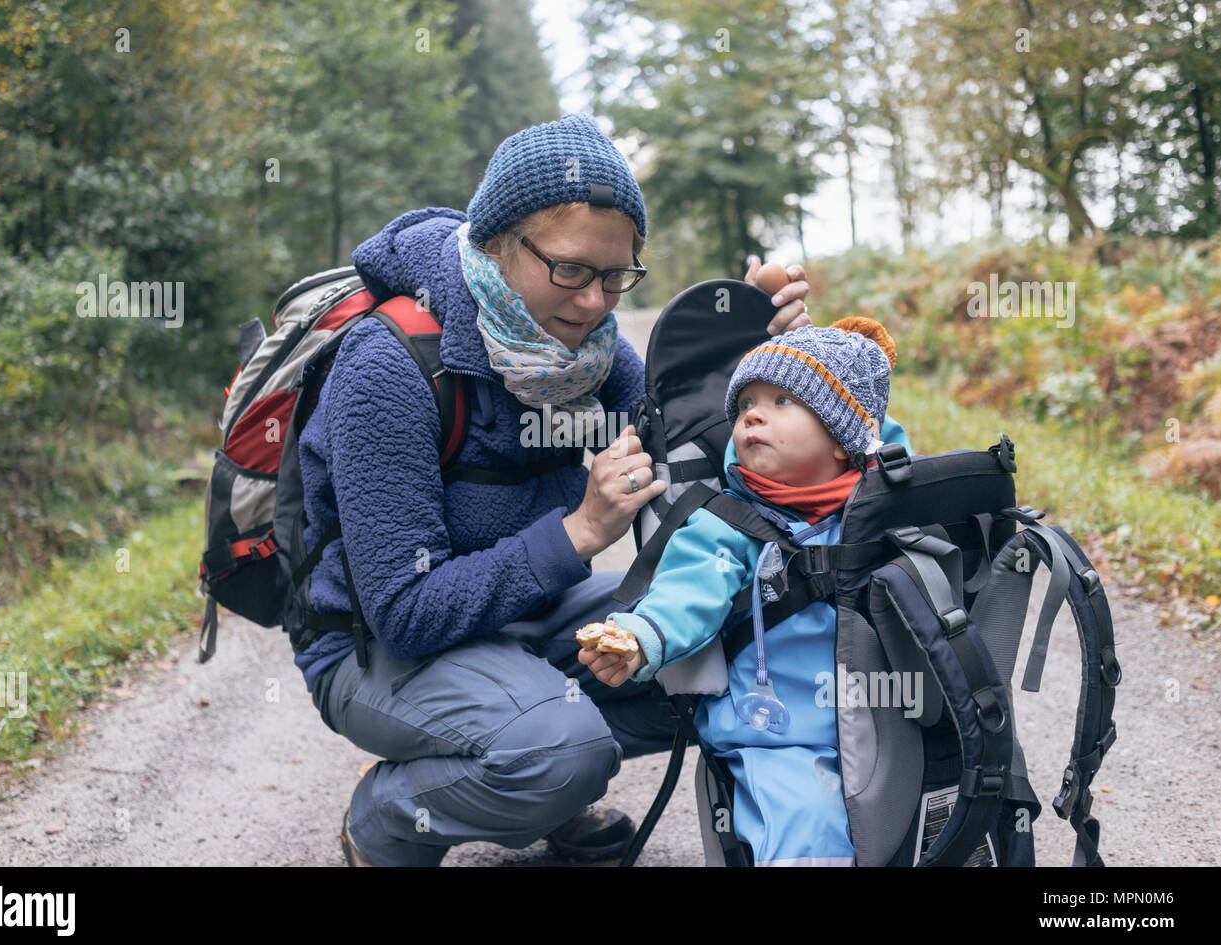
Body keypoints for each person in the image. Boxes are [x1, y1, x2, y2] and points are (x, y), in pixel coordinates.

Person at [294, 112, 813, 866]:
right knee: (560, 750)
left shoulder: (587, 354)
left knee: (725, 645)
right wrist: (578, 533)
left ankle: (543, 773)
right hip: (372, 655)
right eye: (569, 270)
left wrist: (765, 355)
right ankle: (388, 817)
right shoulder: (391, 363)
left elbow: (702, 456)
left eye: (615, 276)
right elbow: (403, 614)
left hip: (524, 624)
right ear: (497, 243)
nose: (596, 302)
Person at [583, 316, 911, 865]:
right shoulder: (729, 524)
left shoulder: (888, 510)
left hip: (889, 718)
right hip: (781, 734)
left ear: (842, 438)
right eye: (745, 404)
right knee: (807, 834)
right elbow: (688, 589)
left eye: (783, 401)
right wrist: (640, 636)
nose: (752, 414)